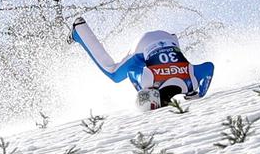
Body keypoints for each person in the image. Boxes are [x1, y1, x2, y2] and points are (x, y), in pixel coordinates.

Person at [70, 17, 214, 110]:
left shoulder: (191, 82)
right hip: (145, 44)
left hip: (169, 39)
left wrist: (198, 93)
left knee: (155, 60)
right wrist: (141, 90)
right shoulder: (148, 81)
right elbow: (132, 71)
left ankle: (80, 30)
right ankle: (79, 31)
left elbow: (209, 67)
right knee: (114, 74)